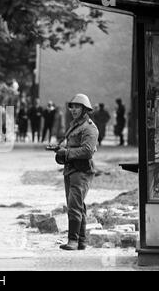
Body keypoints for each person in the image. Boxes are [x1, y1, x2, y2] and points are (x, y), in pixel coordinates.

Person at [54, 94, 98, 250]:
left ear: (85, 109)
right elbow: (72, 146)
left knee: (74, 205)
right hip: (71, 169)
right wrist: (60, 151)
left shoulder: (89, 127)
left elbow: (87, 151)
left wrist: (66, 153)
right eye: (72, 106)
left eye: (77, 107)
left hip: (82, 170)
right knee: (76, 204)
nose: (73, 109)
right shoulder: (75, 125)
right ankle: (81, 241)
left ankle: (73, 240)